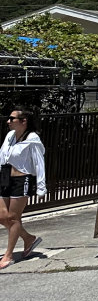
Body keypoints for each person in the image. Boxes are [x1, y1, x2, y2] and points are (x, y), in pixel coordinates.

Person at [0, 108, 47, 268]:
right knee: (2, 217)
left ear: (23, 121)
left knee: (13, 218)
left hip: (22, 179)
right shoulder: (10, 136)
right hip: (5, 177)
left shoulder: (32, 138)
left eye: (11, 119)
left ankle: (8, 255)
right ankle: (28, 238)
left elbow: (39, 163)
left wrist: (41, 186)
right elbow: (2, 157)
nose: (8, 121)